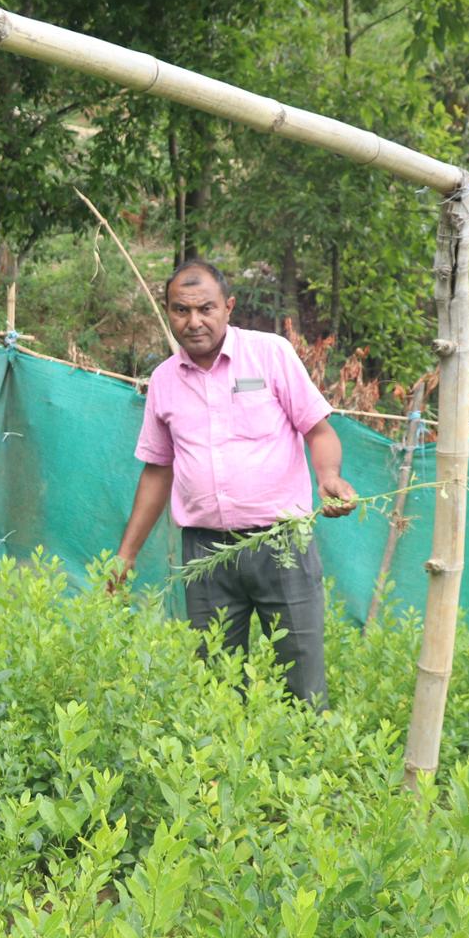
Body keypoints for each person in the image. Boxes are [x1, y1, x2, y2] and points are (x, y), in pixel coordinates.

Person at [111, 258, 356, 710]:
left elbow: (318, 431)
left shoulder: (270, 354)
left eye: (205, 308)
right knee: (217, 688)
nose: (194, 321)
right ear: (168, 312)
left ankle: (309, 772)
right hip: (205, 555)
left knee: (301, 683)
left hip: (281, 543)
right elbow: (157, 470)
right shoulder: (164, 380)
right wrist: (126, 555)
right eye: (181, 310)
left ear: (229, 306)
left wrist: (329, 478)